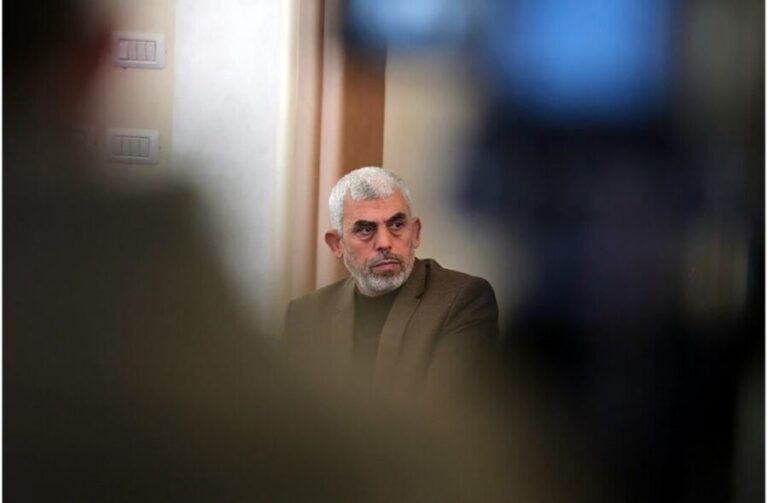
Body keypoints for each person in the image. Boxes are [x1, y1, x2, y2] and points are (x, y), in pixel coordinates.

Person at [284, 167, 499, 397]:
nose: (384, 243)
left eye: (396, 225)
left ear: (415, 233)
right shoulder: (306, 314)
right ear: (337, 244)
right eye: (365, 229)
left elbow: (443, 410)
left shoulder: (462, 299)